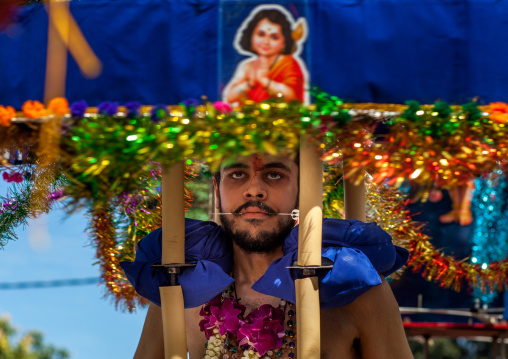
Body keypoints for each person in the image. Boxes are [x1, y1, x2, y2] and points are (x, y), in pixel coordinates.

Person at [122, 153, 414, 359]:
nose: (254, 190)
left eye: (274, 175)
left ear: (303, 192)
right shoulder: (180, 287)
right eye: (237, 174)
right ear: (216, 189)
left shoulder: (358, 291)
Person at [223, 7, 308, 104]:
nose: (266, 42)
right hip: (249, 117)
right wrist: (249, 84)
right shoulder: (247, 66)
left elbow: (291, 97)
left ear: (284, 43)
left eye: (274, 37)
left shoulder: (289, 64)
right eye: (261, 34)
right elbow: (230, 97)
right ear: (251, 35)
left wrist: (265, 81)